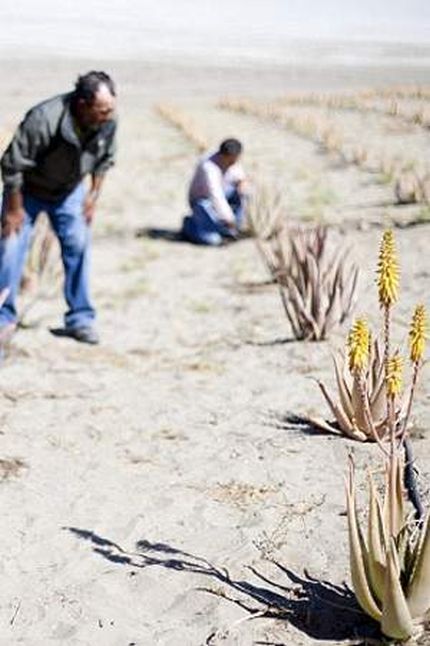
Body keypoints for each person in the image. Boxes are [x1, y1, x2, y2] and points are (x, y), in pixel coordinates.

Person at [0, 70, 117, 345]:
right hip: (27, 192)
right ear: (82, 104)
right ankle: (4, 318)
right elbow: (12, 165)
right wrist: (14, 211)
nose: (107, 115)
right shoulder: (44, 118)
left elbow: (104, 160)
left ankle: (81, 318)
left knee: (78, 245)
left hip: (68, 192)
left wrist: (92, 196)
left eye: (110, 109)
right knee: (10, 249)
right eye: (101, 110)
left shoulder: (107, 120)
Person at [182, 138, 247, 246]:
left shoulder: (232, 161)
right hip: (202, 201)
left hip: (223, 195)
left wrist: (242, 183)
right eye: (231, 161)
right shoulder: (208, 167)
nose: (233, 163)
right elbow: (216, 195)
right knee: (213, 240)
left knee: (243, 193)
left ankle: (230, 228)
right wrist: (229, 219)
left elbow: (239, 176)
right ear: (223, 156)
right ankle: (189, 225)